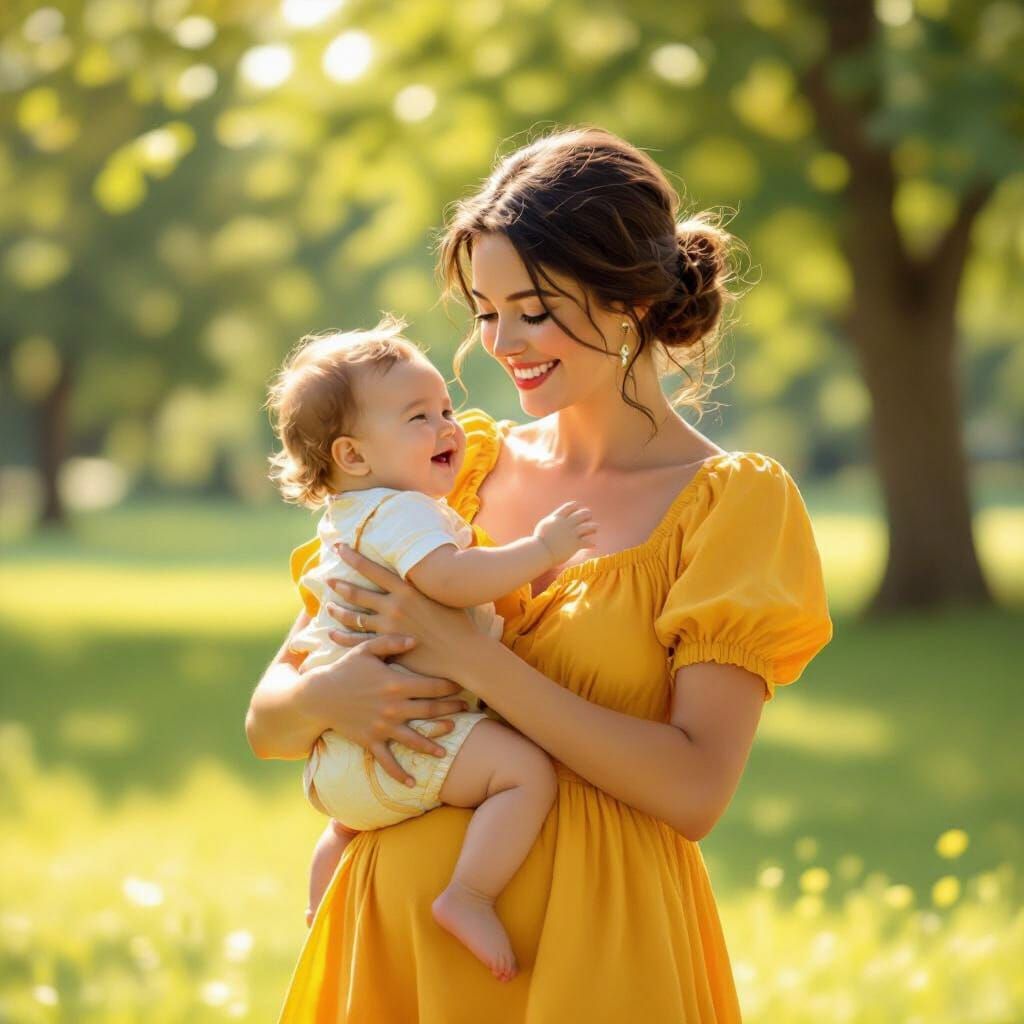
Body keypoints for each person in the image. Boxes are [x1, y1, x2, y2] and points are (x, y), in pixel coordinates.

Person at [246, 126, 833, 1022]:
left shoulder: (730, 506)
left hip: (601, 958)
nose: (499, 341)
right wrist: (335, 698)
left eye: (534, 307)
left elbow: (692, 790)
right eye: (484, 310)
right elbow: (269, 721)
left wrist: (469, 656)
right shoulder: (449, 471)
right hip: (393, 956)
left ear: (628, 298)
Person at [263, 315, 596, 980]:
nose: (449, 427)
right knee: (524, 773)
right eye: (420, 417)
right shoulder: (401, 513)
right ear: (353, 456)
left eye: (445, 406)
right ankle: (468, 895)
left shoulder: (352, 519)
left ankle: (319, 901)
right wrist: (541, 551)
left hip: (344, 760)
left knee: (346, 827)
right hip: (412, 739)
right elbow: (449, 581)